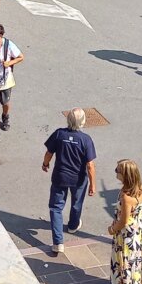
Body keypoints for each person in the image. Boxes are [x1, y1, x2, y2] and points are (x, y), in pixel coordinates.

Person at [43, 109, 97, 256]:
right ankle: (73, 225)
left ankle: (58, 242)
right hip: (78, 178)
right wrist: (92, 185)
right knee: (76, 202)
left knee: (56, 207)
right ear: (83, 122)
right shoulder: (86, 139)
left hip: (60, 176)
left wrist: (45, 164)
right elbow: (90, 165)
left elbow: (49, 152)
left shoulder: (59, 134)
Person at [108, 159, 142, 284]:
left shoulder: (126, 196)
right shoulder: (139, 189)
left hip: (125, 235)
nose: (115, 171)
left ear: (125, 175)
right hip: (137, 231)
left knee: (123, 265)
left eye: (117, 170)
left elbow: (124, 220)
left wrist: (112, 229)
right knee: (135, 264)